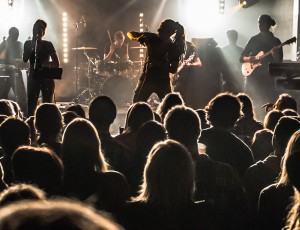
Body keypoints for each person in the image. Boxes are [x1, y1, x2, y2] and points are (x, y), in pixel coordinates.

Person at [127, 19, 186, 103]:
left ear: (169, 33)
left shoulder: (173, 47)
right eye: (159, 28)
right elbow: (130, 34)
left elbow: (173, 69)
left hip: (162, 81)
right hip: (147, 78)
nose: (158, 30)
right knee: (137, 104)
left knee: (169, 106)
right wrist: (139, 38)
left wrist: (158, 64)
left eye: (161, 29)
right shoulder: (151, 37)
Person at [240, 15, 283, 120]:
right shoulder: (254, 39)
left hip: (268, 79)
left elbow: (279, 62)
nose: (259, 25)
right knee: (251, 105)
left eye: (262, 23)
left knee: (267, 107)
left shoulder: (276, 41)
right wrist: (251, 58)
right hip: (253, 78)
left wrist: (275, 55)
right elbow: (241, 58)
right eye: (258, 22)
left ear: (268, 24)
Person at [23, 19, 60, 116]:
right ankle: (31, 124)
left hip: (46, 77)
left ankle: (46, 124)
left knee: (47, 104)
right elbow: (25, 59)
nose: (38, 30)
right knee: (32, 103)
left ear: (44, 32)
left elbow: (56, 63)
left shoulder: (48, 44)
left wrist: (46, 63)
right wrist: (32, 44)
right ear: (33, 29)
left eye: (41, 28)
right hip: (33, 76)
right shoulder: (27, 43)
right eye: (36, 27)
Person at [0, 27, 27, 112]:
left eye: (18, 34)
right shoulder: (3, 44)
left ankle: (22, 114)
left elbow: (21, 59)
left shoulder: (19, 44)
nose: (17, 36)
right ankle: (4, 113)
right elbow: (1, 57)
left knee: (21, 95)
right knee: (2, 95)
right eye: (15, 34)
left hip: (15, 72)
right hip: (4, 72)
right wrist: (6, 47)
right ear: (10, 34)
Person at [221, 29, 244, 94]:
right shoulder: (241, 50)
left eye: (233, 36)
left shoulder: (241, 50)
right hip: (229, 80)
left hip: (237, 79)